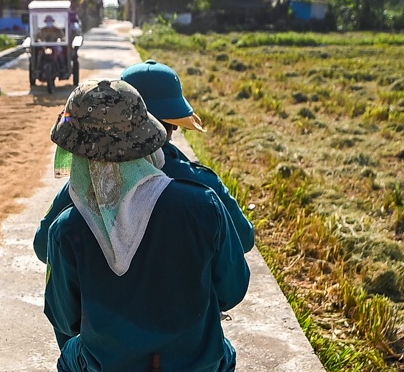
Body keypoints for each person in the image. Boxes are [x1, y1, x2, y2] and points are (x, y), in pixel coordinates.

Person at [41, 80, 250, 372]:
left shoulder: (67, 228)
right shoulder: (203, 205)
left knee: (70, 362)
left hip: (108, 371)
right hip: (196, 367)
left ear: (78, 155)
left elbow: (64, 317)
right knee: (225, 362)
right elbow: (233, 291)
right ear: (147, 142)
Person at [32, 59, 253, 261]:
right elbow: (244, 239)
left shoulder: (86, 186)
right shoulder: (204, 185)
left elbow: (43, 248)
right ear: (174, 124)